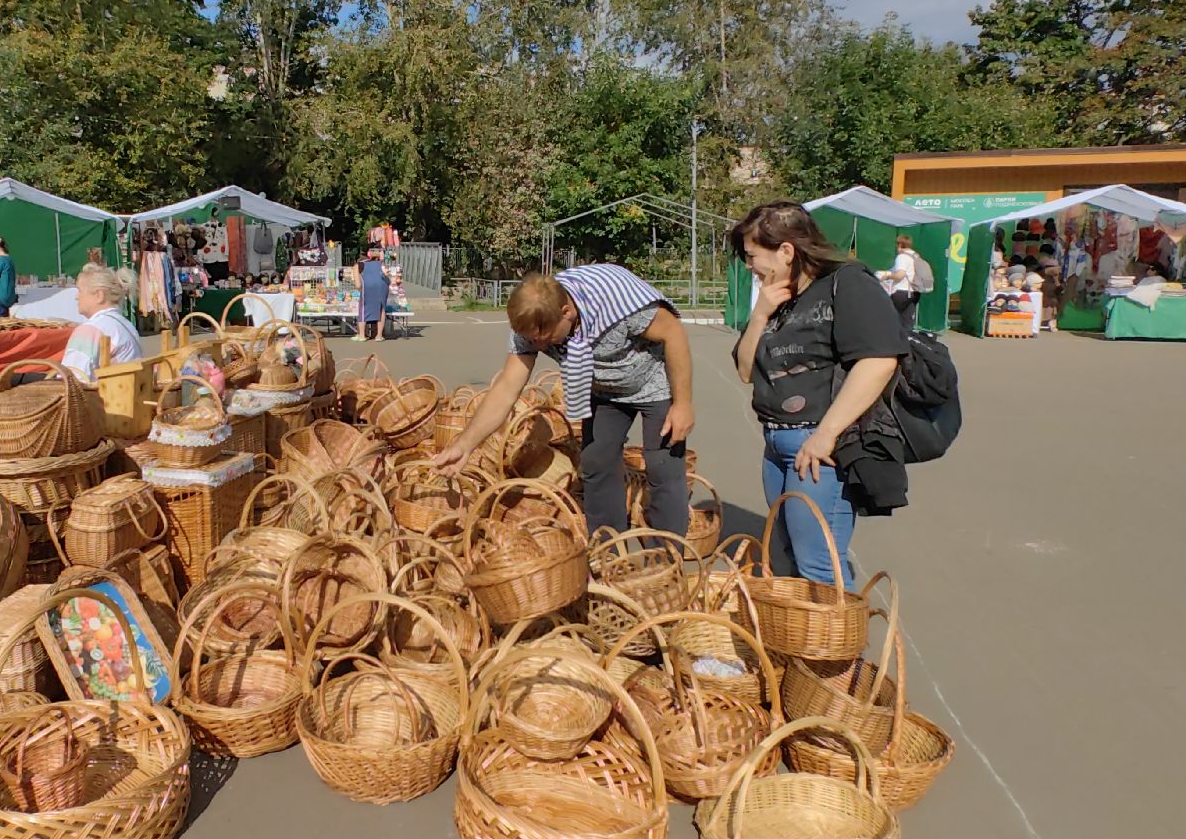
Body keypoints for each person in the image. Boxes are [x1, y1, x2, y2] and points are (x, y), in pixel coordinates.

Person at [432, 265, 695, 536]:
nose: (542, 347)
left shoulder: (617, 303)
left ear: (566, 313)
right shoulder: (533, 324)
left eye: (545, 339)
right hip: (604, 389)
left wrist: (682, 404)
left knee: (662, 467)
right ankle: (608, 549)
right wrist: (464, 445)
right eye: (534, 341)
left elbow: (673, 333)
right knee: (596, 462)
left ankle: (666, 559)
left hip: (653, 381)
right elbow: (507, 388)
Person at [730, 202, 906, 588]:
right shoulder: (779, 297)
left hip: (818, 447)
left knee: (818, 561)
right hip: (777, 445)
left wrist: (826, 434)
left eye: (753, 256)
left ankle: (839, 646)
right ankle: (806, 640)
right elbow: (745, 371)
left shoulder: (848, 283)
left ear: (787, 251)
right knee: (790, 550)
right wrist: (760, 314)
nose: (749, 266)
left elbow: (878, 361)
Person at [61, 264, 143, 382]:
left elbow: (72, 380)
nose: (76, 297)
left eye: (80, 291)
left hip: (102, 397)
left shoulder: (91, 329)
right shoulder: (125, 324)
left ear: (99, 295)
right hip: (125, 392)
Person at [882, 234, 921, 331]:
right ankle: (909, 343)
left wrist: (887, 276)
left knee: (890, 319)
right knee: (907, 322)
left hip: (901, 292)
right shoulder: (915, 256)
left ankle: (892, 342)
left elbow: (900, 275)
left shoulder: (902, 257)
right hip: (914, 293)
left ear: (899, 244)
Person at [355, 247, 389, 342]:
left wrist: (360, 289)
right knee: (381, 309)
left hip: (367, 287)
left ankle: (362, 335)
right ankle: (379, 335)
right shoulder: (381, 263)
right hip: (382, 286)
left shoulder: (358, 265)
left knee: (363, 309)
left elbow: (358, 285)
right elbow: (387, 276)